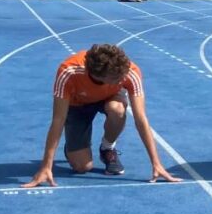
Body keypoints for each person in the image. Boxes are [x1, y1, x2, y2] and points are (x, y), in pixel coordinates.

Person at [23, 44, 180, 187]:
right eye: (117, 78)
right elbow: (58, 120)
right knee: (82, 167)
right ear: (98, 75)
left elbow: (141, 118)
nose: (123, 79)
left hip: (111, 97)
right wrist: (46, 166)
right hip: (78, 104)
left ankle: (107, 148)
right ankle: (73, 146)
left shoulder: (129, 72)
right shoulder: (69, 71)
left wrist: (156, 163)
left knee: (117, 109)